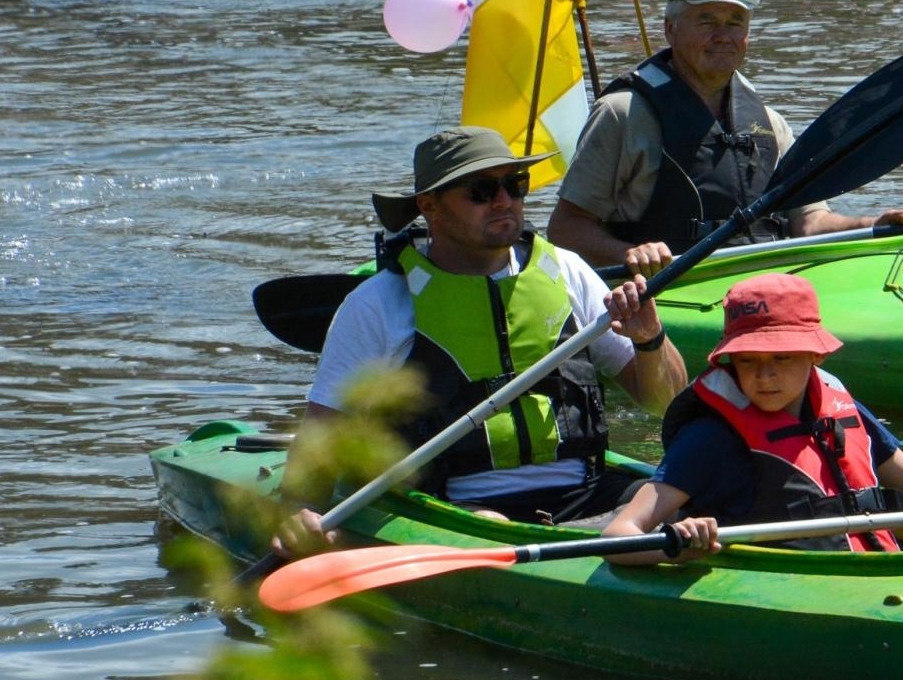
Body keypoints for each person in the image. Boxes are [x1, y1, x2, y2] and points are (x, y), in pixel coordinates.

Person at [275, 125, 687, 556]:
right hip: (455, 507)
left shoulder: (567, 272)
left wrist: (649, 338)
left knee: (694, 499)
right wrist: (300, 512)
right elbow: (322, 435)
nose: (504, 200)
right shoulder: (379, 304)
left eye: (515, 184)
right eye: (481, 190)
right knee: (492, 524)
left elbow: (666, 401)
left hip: (588, 493)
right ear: (429, 206)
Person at [600, 273, 903, 564]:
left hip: (871, 566)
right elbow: (619, 534)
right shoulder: (710, 437)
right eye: (747, 361)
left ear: (814, 356)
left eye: (781, 358)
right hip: (786, 580)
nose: (764, 376)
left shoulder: (841, 410)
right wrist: (675, 542)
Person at [546, 0, 903, 274]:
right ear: (670, 29)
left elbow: (809, 223)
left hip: (763, 284)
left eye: (736, 23)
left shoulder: (768, 121)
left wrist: (873, 225)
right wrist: (628, 253)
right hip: (672, 291)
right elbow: (565, 230)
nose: (724, 35)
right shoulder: (622, 115)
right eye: (707, 21)